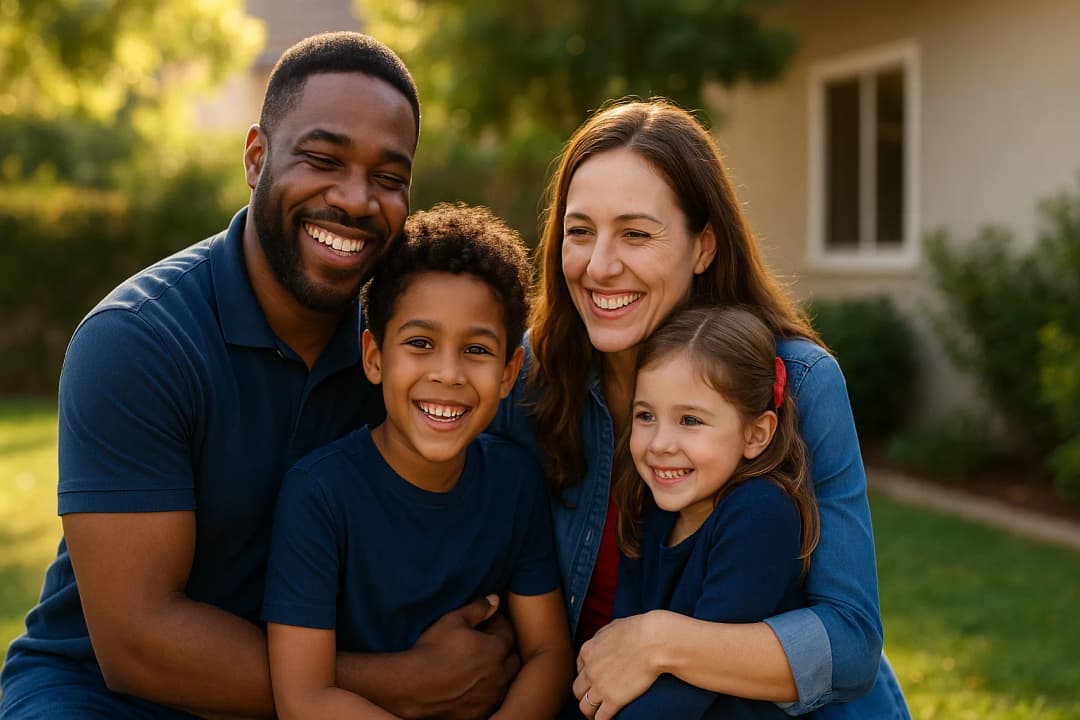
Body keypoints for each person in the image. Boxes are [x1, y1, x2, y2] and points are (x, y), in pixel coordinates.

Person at [0, 33, 516, 720]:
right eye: (323, 159)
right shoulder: (138, 342)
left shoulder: (411, 358)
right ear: (256, 158)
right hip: (99, 696)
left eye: (388, 177)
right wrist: (403, 684)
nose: (356, 199)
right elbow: (137, 642)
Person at [491, 98, 911, 719]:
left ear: (704, 246)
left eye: (636, 233)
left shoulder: (795, 382)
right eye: (580, 232)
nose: (600, 266)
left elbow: (848, 644)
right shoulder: (532, 376)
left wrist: (662, 641)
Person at [262, 203, 573, 720]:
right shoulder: (319, 495)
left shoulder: (514, 480)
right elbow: (305, 696)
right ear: (375, 356)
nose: (448, 373)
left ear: (509, 370)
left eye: (476, 350)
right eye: (421, 344)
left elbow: (550, 653)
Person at [609, 305, 819, 720]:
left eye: (690, 420)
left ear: (756, 434)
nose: (660, 443)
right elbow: (617, 649)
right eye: (646, 415)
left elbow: (694, 683)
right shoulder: (652, 506)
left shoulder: (759, 512)